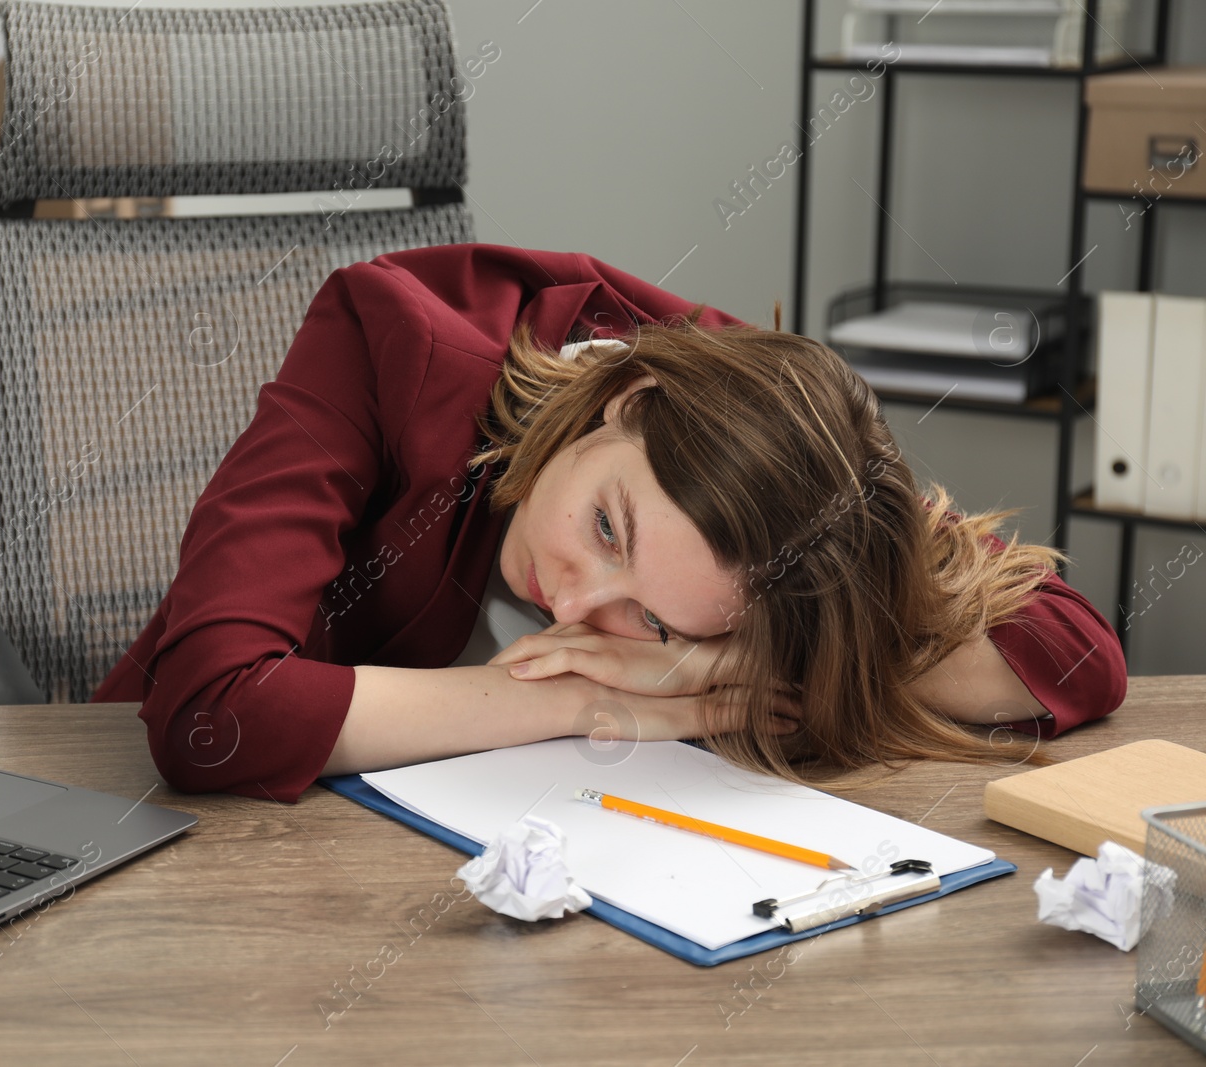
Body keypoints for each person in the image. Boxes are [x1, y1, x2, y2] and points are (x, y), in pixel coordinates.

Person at [92, 243, 1125, 802]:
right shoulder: (384, 335)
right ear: (620, 399)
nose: (578, 598)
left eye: (659, 621)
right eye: (605, 526)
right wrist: (588, 696)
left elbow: (1072, 655)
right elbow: (210, 713)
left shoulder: (795, 461)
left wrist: (761, 664)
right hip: (178, 856)